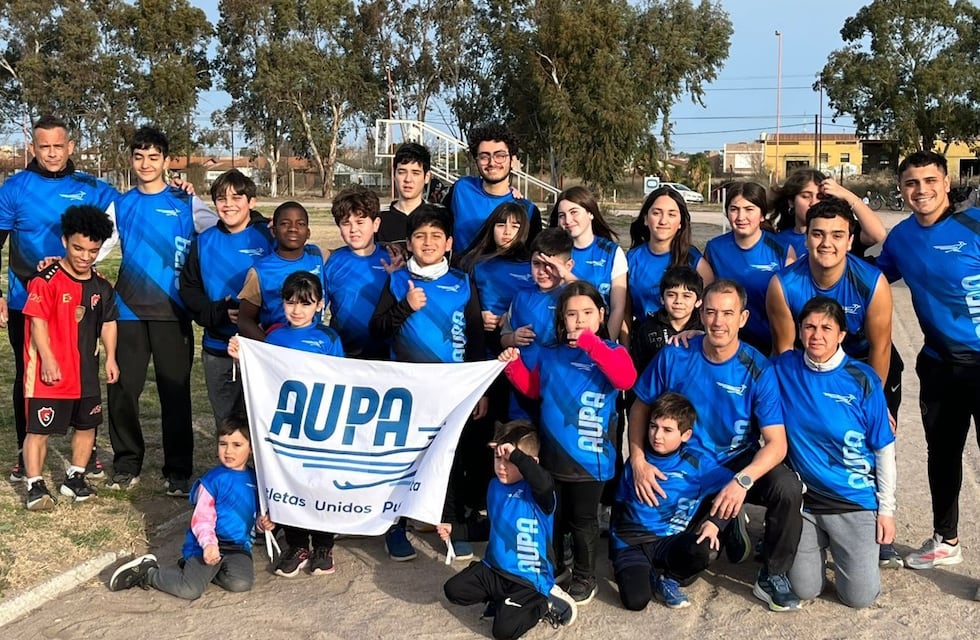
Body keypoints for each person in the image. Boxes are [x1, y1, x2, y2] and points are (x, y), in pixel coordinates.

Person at [627, 279, 804, 612]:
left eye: (727, 313)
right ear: (701, 314)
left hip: (736, 463)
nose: (718, 321)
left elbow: (776, 444)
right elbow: (640, 407)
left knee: (787, 487)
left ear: (743, 318)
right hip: (687, 468)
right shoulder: (676, 354)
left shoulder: (757, 369)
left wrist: (743, 482)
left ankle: (773, 574)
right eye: (710, 312)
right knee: (694, 557)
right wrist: (638, 459)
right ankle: (721, 524)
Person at [765, 196, 903, 568]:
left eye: (837, 235)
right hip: (808, 364)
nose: (827, 243)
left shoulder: (871, 282)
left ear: (850, 239)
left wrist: (876, 405)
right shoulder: (783, 285)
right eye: (818, 234)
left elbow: (881, 346)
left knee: (876, 440)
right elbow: (784, 352)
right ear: (805, 237)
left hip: (865, 366)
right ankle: (806, 513)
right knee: (805, 433)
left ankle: (878, 522)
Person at [876, 151, 980, 580]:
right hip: (938, 365)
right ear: (902, 190)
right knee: (943, 455)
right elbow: (869, 278)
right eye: (911, 183)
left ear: (946, 182)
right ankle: (946, 541)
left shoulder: (973, 226)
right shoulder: (900, 238)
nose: (921, 190)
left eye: (929, 180)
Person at [499, 281, 638, 604]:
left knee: (583, 521)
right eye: (571, 314)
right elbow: (534, 389)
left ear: (602, 315)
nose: (580, 321)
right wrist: (512, 366)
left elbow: (625, 379)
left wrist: (592, 344)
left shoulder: (612, 351)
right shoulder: (551, 353)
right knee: (555, 515)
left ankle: (585, 576)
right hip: (552, 455)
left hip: (591, 459)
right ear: (561, 319)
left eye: (588, 313)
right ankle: (558, 565)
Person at [0, 116, 117, 482]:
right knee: (31, 378)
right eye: (44, 147)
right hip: (27, 301)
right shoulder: (14, 188)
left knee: (83, 374)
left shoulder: (92, 187)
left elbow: (130, 211)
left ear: (70, 147)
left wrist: (180, 191)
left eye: (58, 146)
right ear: (32, 148)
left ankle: (87, 452)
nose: (51, 154)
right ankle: (26, 452)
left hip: (82, 304)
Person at [369, 205, 487, 562]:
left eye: (436, 235)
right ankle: (395, 528)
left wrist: (478, 388)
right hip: (406, 390)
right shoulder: (396, 281)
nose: (428, 242)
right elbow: (376, 332)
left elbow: (477, 338)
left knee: (449, 459)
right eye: (420, 236)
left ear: (449, 243)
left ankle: (450, 525)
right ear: (409, 243)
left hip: (451, 390)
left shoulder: (463, 282)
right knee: (402, 459)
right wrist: (405, 306)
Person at [106, 126, 218, 493]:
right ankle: (126, 462)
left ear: (167, 161)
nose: (145, 163)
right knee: (124, 388)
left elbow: (223, 228)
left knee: (175, 391)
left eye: (154, 157)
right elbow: (96, 246)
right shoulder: (121, 204)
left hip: (173, 312)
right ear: (131, 159)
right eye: (139, 156)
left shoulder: (186, 203)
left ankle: (178, 472)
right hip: (128, 311)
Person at [775, 296, 895, 608]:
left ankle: (851, 551)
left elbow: (883, 449)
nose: (817, 335)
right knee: (804, 590)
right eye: (809, 327)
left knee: (859, 598)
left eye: (826, 328)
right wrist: (696, 335)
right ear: (800, 331)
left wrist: (887, 511)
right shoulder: (784, 367)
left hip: (852, 501)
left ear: (841, 334)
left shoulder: (862, 378)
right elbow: (738, 359)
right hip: (807, 504)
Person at [229, 271, 344, 576]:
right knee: (287, 481)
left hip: (319, 427)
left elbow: (344, 382)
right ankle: (297, 544)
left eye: (305, 303)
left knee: (319, 484)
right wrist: (242, 358)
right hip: (286, 427)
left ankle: (323, 545)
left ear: (319, 305)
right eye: (290, 302)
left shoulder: (329, 339)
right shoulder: (274, 337)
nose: (297, 310)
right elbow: (264, 377)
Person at [108, 415, 270, 599]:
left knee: (240, 584)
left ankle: (201, 571)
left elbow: (252, 516)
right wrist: (209, 545)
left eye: (237, 445)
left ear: (251, 448)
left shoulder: (256, 479)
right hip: (206, 544)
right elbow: (202, 519)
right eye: (223, 444)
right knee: (190, 590)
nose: (228, 451)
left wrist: (261, 525)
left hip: (238, 547)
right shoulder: (212, 481)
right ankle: (149, 573)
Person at [20, 205, 118, 510]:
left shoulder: (101, 285)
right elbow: (37, 321)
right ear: (64, 241)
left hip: (85, 371)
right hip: (50, 372)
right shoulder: (45, 279)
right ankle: (35, 484)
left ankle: (75, 477)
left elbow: (109, 322)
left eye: (92, 250)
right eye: (78, 248)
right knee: (38, 429)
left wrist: (110, 358)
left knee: (87, 426)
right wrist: (47, 359)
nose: (84, 256)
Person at [441, 421, 576, 639]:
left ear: (530, 463)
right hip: (495, 569)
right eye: (498, 458)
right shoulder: (495, 486)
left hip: (528, 579)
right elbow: (491, 527)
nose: (502, 465)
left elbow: (543, 482)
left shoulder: (540, 492)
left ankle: (543, 602)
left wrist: (517, 456)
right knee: (454, 590)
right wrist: (455, 531)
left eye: (510, 460)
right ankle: (501, 600)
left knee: (503, 631)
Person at [610, 392, 732, 610]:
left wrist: (716, 523)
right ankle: (640, 572)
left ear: (685, 435)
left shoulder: (698, 464)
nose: (657, 435)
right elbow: (619, 505)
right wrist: (615, 549)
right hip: (633, 543)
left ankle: (669, 579)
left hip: (670, 541)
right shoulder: (637, 463)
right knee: (636, 602)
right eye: (653, 426)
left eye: (667, 430)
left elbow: (734, 488)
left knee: (707, 549)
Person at [179, 170, 273, 441]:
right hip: (217, 348)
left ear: (251, 202)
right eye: (221, 198)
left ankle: (262, 480)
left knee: (262, 421)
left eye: (236, 197)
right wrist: (217, 311)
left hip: (260, 348)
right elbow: (189, 289)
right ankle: (232, 476)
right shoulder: (204, 241)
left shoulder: (267, 236)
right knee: (226, 422)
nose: (228, 204)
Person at [703, 182, 794, 353]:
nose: (740, 216)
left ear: (762, 215)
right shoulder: (714, 248)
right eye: (734, 209)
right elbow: (705, 299)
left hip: (770, 346)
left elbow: (791, 306)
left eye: (749, 209)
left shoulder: (783, 250)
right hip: (726, 344)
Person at [443, 123, 543, 253]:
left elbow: (533, 258)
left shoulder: (527, 209)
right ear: (476, 161)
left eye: (500, 156)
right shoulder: (461, 189)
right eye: (484, 156)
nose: (492, 163)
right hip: (460, 272)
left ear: (512, 160)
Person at [236, 201, 324, 340]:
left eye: (300, 224)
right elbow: (244, 320)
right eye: (285, 223)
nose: (293, 229)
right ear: (274, 231)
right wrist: (271, 348)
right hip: (279, 348)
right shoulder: (260, 271)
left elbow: (346, 252)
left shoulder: (316, 255)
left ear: (308, 233)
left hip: (313, 348)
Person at [550, 186, 627, 342]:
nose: (568, 220)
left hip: (601, 342)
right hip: (563, 343)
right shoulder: (553, 252)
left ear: (590, 213)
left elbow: (618, 308)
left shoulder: (612, 252)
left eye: (574, 212)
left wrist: (606, 346)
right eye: (562, 216)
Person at [322, 185, 391, 359]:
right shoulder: (331, 262)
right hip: (345, 356)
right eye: (346, 223)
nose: (353, 229)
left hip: (387, 357)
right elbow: (316, 309)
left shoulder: (393, 261)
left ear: (376, 224)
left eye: (360, 222)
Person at [626, 186, 713, 322]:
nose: (663, 221)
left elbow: (709, 310)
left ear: (680, 223)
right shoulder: (631, 259)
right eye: (656, 213)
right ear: (645, 219)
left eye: (671, 214)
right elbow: (625, 313)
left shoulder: (694, 261)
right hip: (642, 339)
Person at [460, 201, 533, 353]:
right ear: (492, 228)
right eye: (501, 225)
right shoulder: (474, 263)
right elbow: (457, 304)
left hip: (522, 346)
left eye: (515, 227)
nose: (507, 232)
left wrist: (514, 318)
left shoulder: (533, 265)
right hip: (485, 347)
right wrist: (477, 317)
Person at [771, 168, 887, 259]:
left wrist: (846, 194)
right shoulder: (776, 241)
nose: (814, 202)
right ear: (791, 202)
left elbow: (877, 234)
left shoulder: (839, 234)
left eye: (820, 197)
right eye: (806, 196)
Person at [630, 266, 703, 377]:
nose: (678, 301)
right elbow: (636, 371)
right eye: (671, 295)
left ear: (698, 302)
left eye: (686, 296)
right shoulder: (647, 329)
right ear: (662, 299)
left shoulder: (704, 329)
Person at [378, 142, 434, 255]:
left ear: (427, 177)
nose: (408, 179)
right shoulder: (379, 221)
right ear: (394, 175)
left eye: (415, 173)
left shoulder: (438, 218)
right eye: (402, 172)